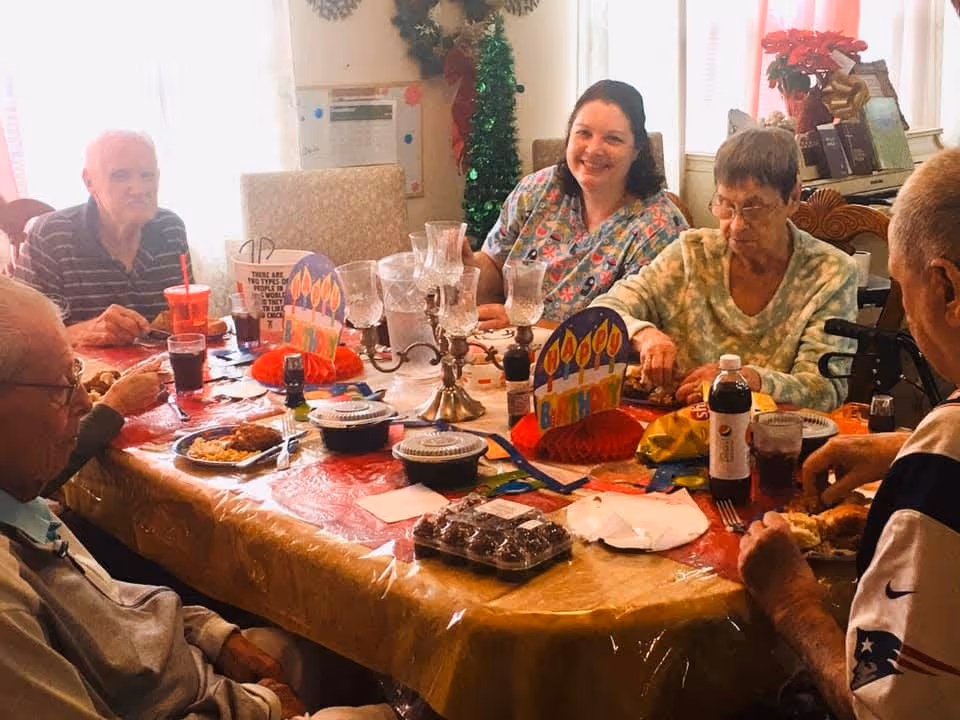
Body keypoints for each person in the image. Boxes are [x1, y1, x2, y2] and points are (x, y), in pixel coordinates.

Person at [0, 276, 394, 719]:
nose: (84, 405)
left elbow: (107, 611)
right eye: (60, 388)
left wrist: (209, 631)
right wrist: (261, 706)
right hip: (202, 705)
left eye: (77, 375)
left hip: (183, 669)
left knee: (339, 651)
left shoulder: (18, 491)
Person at [739, 147, 960, 720]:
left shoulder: (945, 458)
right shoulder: (935, 447)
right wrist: (901, 445)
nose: (908, 314)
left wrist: (794, 603)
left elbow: (884, 712)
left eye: (904, 291)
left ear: (947, 290)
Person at [590, 127, 858, 412]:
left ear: (792, 197)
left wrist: (744, 380)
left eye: (753, 209)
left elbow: (824, 390)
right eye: (726, 206)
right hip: (672, 432)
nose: (737, 226)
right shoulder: (691, 253)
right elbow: (603, 311)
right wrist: (645, 336)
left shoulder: (831, 272)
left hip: (770, 441)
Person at [463, 79, 688, 329]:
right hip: (508, 353)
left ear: (637, 150)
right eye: (584, 133)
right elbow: (495, 264)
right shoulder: (536, 189)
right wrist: (467, 269)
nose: (593, 149)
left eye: (613, 139)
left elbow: (627, 333)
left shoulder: (660, 229)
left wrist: (525, 324)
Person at [15, 130, 192, 347]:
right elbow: (21, 339)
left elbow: (188, 315)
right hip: (81, 377)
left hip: (164, 373)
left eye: (147, 175)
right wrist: (86, 332)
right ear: (90, 182)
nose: (139, 189)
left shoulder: (170, 228)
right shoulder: (51, 235)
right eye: (120, 175)